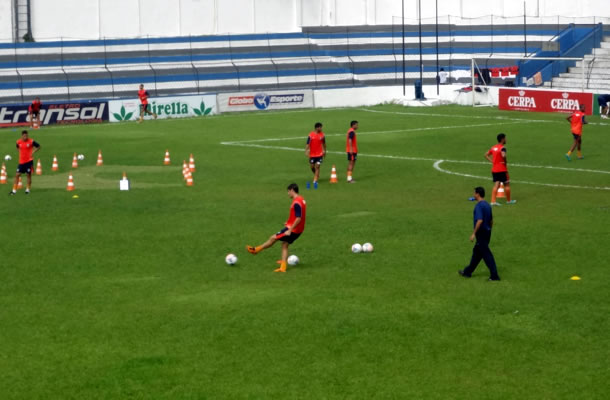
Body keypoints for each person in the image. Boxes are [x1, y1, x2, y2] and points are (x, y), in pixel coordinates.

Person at [246, 183, 307, 273]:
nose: (288, 194)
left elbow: (299, 218)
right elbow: (299, 215)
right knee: (284, 245)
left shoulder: (296, 202)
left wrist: (289, 229)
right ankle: (283, 266)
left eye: (288, 191)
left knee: (273, 238)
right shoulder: (301, 199)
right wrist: (289, 222)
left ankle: (256, 250)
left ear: (292, 190)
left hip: (293, 230)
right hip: (298, 229)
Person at [459, 187, 501, 281]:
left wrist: (474, 233)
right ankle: (467, 272)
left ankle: (494, 276)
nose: (473, 194)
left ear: (478, 194)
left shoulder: (479, 206)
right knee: (477, 253)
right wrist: (489, 229)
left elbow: (480, 220)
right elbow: (491, 220)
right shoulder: (487, 205)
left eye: (474, 193)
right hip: (487, 232)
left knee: (486, 254)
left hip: (481, 233)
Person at [485, 133, 515, 206]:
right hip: (502, 169)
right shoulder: (502, 148)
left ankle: (493, 201)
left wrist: (492, 161)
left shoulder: (493, 147)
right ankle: (508, 201)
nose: (506, 140)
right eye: (505, 138)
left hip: (495, 169)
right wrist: (505, 160)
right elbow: (503, 155)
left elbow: (485, 155)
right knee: (507, 184)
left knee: (496, 185)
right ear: (502, 139)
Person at [9, 130, 40, 195]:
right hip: (21, 162)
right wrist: (21, 153)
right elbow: (17, 148)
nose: (25, 137)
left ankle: (28, 189)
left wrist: (33, 152)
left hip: (29, 161)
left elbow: (38, 146)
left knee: (28, 175)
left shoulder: (31, 141)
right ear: (22, 136)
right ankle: (14, 190)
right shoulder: (18, 142)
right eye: (24, 136)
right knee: (17, 175)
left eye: (26, 136)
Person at [305, 122, 326, 187]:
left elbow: (324, 144)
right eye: (320, 127)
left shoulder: (322, 135)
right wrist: (306, 150)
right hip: (312, 154)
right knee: (312, 166)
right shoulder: (311, 135)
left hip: (319, 154)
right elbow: (308, 144)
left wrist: (325, 151)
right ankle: (316, 175)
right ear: (317, 128)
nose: (321, 128)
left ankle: (315, 180)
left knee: (317, 166)